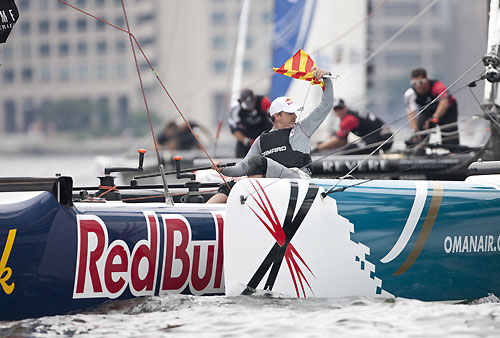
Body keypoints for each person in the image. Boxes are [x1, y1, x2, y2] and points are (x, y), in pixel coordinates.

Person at [207, 67, 333, 203]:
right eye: (290, 113)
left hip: (299, 181)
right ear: (277, 116)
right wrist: (222, 169)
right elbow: (243, 167)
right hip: (274, 184)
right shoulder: (262, 139)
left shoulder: (303, 128)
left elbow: (326, 105)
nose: (295, 116)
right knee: (230, 187)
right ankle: (204, 212)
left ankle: (252, 204)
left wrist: (326, 79)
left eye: (294, 112)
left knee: (257, 161)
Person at [404, 67, 459, 145]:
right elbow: (411, 113)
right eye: (414, 83)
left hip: (447, 111)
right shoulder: (410, 93)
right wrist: (415, 131)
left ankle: (453, 151)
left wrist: (435, 118)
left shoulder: (438, 86)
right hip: (427, 112)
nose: (418, 86)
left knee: (449, 139)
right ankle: (420, 149)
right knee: (420, 134)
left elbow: (444, 103)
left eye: (421, 82)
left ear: (426, 80)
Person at [315, 98, 392, 154]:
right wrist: (325, 144)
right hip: (380, 136)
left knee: (348, 151)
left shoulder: (348, 119)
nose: (339, 111)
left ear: (345, 108)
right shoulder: (350, 115)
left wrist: (317, 148)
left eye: (341, 108)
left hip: (383, 138)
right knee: (348, 148)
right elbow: (343, 141)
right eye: (336, 109)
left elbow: (339, 140)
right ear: (334, 111)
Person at [228, 89, 273, 157]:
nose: (250, 107)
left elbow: (274, 120)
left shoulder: (264, 102)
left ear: (254, 98)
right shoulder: (235, 107)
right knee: (241, 159)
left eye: (251, 103)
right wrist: (246, 141)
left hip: (264, 134)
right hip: (246, 137)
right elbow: (234, 129)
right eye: (247, 105)